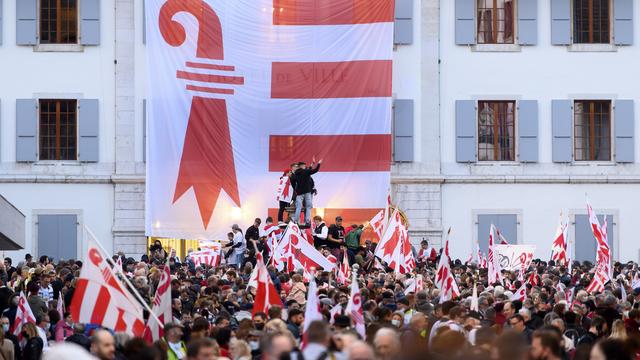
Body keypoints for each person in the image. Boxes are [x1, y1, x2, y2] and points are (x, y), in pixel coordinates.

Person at [292, 158, 322, 226]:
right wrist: (319, 163)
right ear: (302, 166)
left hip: (299, 193)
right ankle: (307, 221)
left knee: (298, 207)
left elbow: (293, 182)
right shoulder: (306, 172)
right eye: (304, 166)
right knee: (308, 207)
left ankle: (295, 221)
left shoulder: (296, 173)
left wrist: (312, 164)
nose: (305, 167)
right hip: (307, 192)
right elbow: (315, 170)